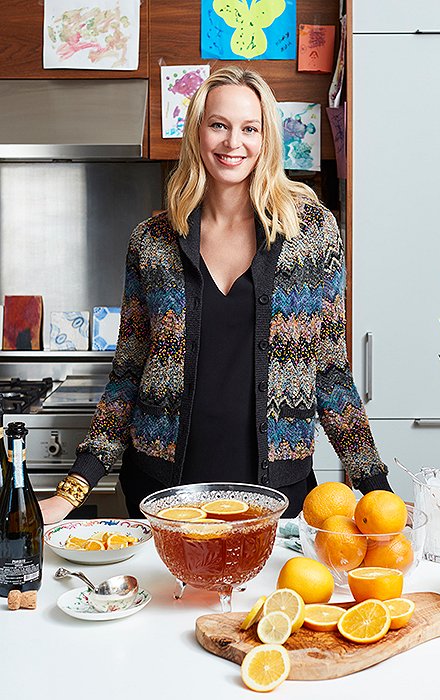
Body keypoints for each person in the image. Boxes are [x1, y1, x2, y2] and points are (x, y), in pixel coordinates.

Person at [40, 66, 391, 525]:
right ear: (197, 132)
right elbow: (127, 374)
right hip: (161, 494)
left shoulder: (312, 234)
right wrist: (71, 492)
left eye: (250, 128)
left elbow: (330, 374)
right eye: (219, 125)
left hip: (275, 495)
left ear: (267, 140)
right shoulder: (151, 242)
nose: (233, 143)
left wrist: (376, 490)